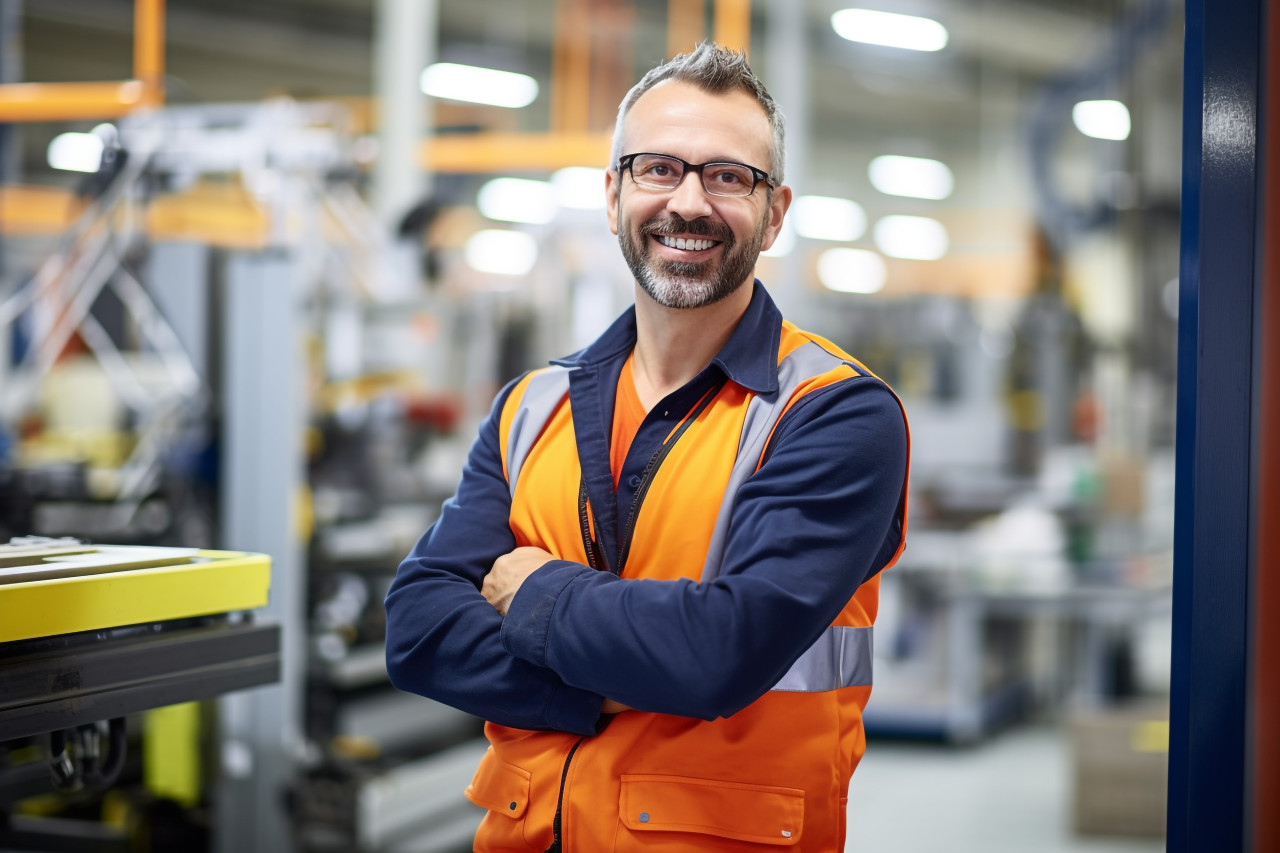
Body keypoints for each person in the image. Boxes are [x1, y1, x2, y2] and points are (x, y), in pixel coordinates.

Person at [385, 41, 910, 852]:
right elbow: (418, 630)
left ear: (775, 213)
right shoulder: (532, 406)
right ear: (613, 192)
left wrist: (534, 593)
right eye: (658, 168)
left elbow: (719, 653)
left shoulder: (833, 413)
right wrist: (603, 685)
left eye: (729, 176)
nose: (689, 202)